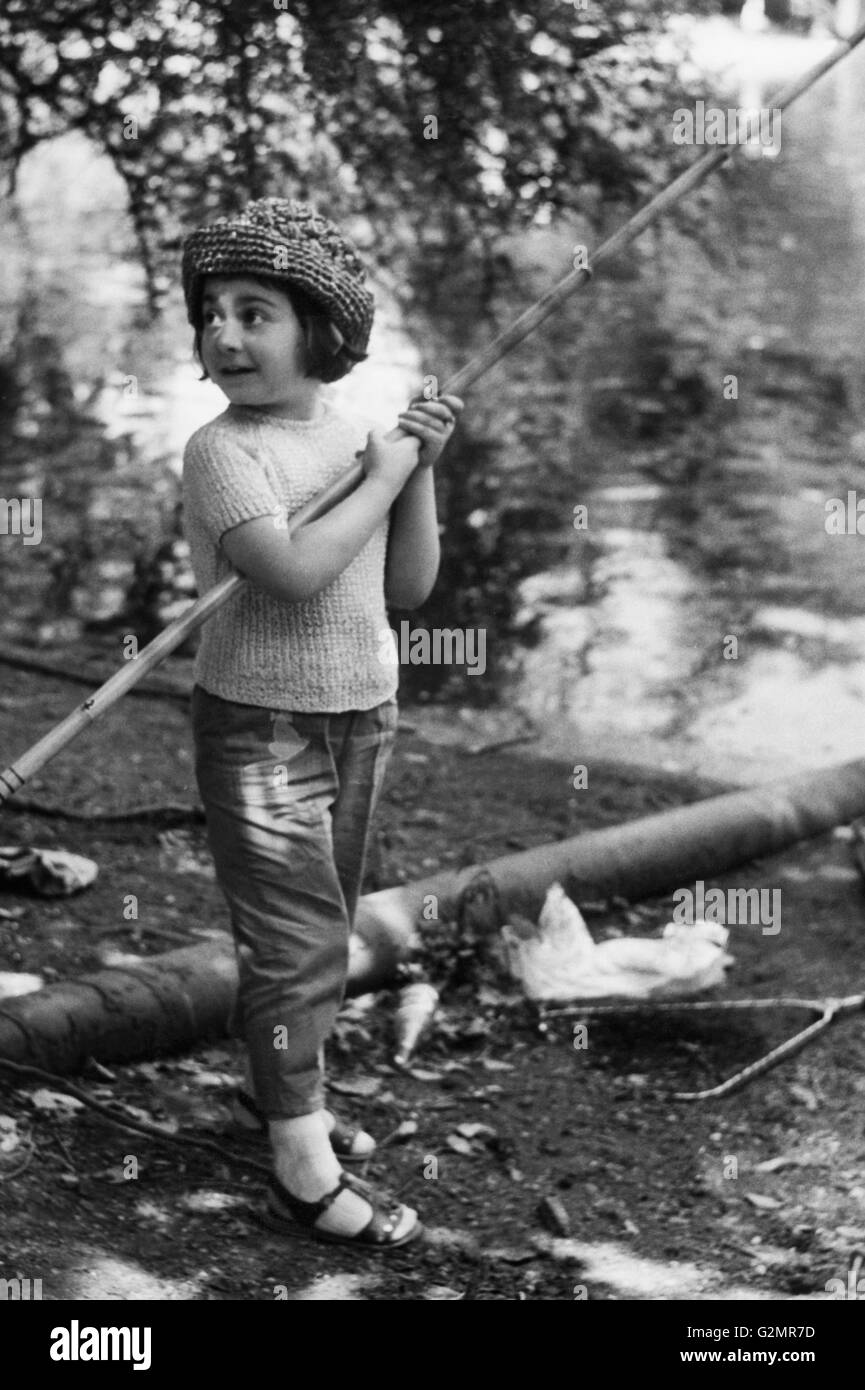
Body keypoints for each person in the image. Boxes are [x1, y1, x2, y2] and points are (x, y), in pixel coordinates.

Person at [180, 197, 463, 1247]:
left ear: (321, 332)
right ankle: (300, 1164)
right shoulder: (223, 452)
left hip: (362, 712)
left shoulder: (353, 439)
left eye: (255, 313)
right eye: (212, 312)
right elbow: (295, 575)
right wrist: (386, 472)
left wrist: (415, 471)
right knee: (296, 941)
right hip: (264, 724)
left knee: (327, 931)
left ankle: (286, 1088)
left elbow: (406, 591)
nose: (225, 335)